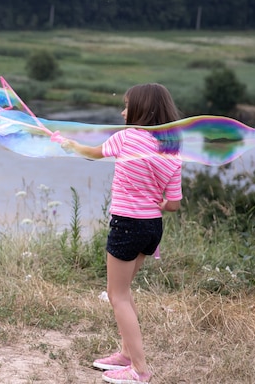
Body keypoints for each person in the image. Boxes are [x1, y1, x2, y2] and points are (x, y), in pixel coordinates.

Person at [61, 83, 182, 384]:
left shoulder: (126, 138)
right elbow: (174, 204)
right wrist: (161, 202)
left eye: (127, 106)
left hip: (127, 224)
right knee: (125, 292)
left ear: (142, 110)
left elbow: (92, 153)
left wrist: (69, 145)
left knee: (117, 296)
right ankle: (127, 355)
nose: (122, 111)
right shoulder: (171, 151)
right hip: (152, 227)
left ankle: (139, 369)